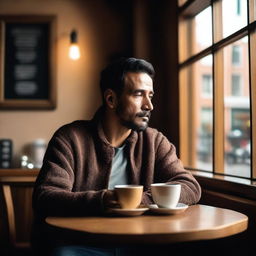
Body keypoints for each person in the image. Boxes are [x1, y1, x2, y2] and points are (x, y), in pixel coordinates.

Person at [32, 57, 201, 256]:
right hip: (83, 243)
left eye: (151, 96)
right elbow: (45, 197)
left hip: (142, 243)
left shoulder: (154, 141)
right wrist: (103, 200)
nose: (149, 105)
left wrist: (139, 201)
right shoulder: (70, 138)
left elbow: (190, 186)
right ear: (111, 99)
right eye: (139, 95)